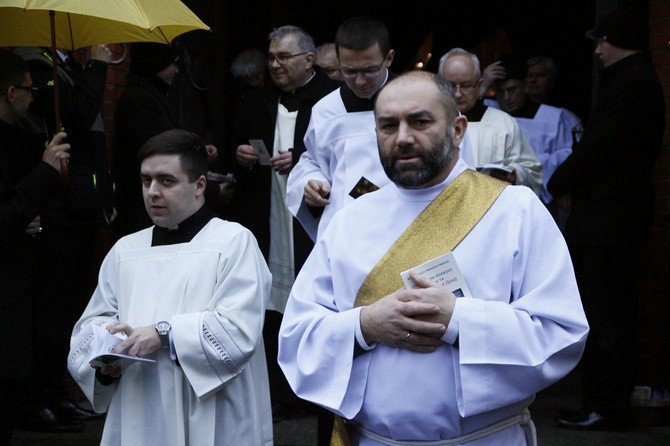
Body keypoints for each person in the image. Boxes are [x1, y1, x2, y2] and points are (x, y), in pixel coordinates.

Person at [278, 70, 589, 445]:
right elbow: (297, 336)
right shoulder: (349, 219)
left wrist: (459, 319)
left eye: (420, 121)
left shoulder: (516, 211)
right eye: (388, 125)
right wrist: (364, 326)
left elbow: (561, 333)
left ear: (458, 129)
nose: (403, 137)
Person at [67, 129, 273, 445]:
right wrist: (106, 355)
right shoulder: (125, 250)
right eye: (146, 180)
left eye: (167, 181)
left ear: (200, 185)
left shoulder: (233, 242)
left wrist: (164, 334)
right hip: (140, 404)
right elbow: (91, 325)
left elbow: (238, 330)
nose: (152, 191)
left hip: (213, 409)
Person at [549, 7, 664, 430]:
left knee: (606, 314)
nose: (597, 50)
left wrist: (560, 180)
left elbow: (601, 147)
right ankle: (603, 403)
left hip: (610, 220)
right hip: (611, 217)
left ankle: (608, 406)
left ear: (616, 41)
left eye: (601, 41)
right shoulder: (634, 81)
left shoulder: (633, 84)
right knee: (606, 312)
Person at [227, 25, 341, 429]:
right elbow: (237, 144)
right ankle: (279, 390)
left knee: (315, 298)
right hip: (266, 210)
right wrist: (240, 154)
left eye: (283, 57)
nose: (273, 64)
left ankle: (317, 387)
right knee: (270, 301)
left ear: (309, 61)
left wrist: (306, 162)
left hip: (311, 214)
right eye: (271, 56)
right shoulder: (256, 100)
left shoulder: (333, 99)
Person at [13, 44, 115, 432]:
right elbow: (76, 113)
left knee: (70, 309)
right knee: (50, 311)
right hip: (55, 209)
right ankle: (36, 398)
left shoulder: (66, 65)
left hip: (80, 206)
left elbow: (90, 144)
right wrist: (100, 66)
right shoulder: (36, 65)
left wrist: (104, 194)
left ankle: (57, 393)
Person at [0, 48, 71, 445]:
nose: (33, 96)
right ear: (12, 93)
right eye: (29, 89)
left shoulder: (13, 137)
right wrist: (44, 170)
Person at [286, 16, 397, 242]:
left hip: (403, 223)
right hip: (346, 231)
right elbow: (312, 160)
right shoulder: (327, 110)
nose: (359, 81)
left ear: (389, 58)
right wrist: (311, 183)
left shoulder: (421, 101)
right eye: (348, 71)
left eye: (369, 70)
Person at [114, 42, 220, 240]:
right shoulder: (142, 100)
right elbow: (161, 155)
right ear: (158, 64)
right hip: (144, 215)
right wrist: (214, 191)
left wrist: (198, 152)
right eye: (173, 63)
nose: (176, 70)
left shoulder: (153, 95)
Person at [490, 54, 578, 228]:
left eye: (512, 89)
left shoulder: (554, 117)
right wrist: (483, 81)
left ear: (525, 86)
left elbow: (564, 157)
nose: (507, 97)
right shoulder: (488, 113)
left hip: (541, 205)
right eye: (500, 91)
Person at [437, 47, 542, 193]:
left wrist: (513, 175)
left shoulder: (504, 124)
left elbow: (532, 172)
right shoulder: (427, 124)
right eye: (450, 86)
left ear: (479, 86)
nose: (458, 93)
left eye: (466, 85)